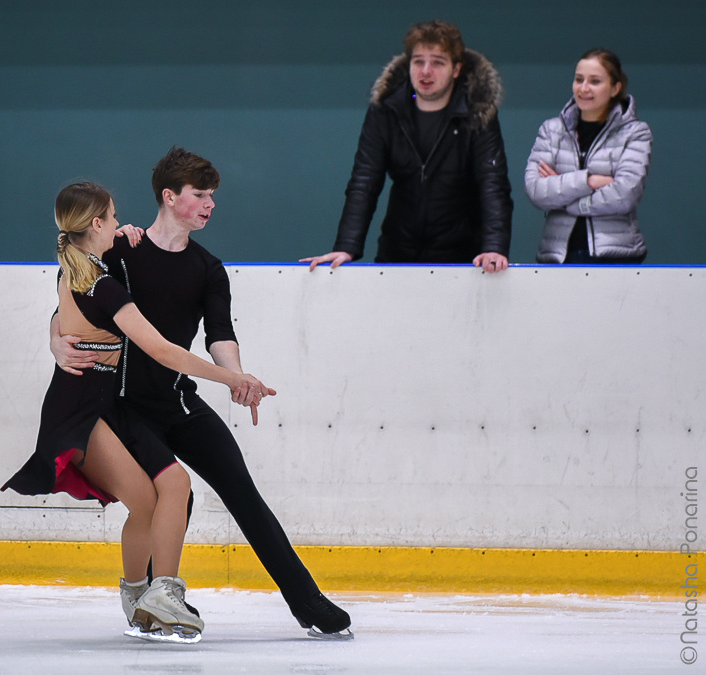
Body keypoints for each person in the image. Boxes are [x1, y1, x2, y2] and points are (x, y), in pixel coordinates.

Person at [51, 147, 354, 639]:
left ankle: (308, 602)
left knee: (244, 494)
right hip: (125, 407)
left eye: (213, 195)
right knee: (175, 496)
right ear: (170, 197)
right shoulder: (121, 249)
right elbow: (73, 296)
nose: (210, 204)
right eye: (200, 195)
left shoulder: (208, 268)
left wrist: (237, 376)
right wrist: (54, 340)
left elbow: (219, 334)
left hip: (178, 402)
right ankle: (155, 601)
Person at [3, 182, 272, 643]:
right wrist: (233, 379)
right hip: (81, 409)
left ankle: (152, 593)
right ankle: (148, 595)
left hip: (107, 402)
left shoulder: (80, 270)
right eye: (112, 216)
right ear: (97, 224)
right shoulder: (100, 284)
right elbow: (162, 350)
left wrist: (55, 337)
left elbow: (64, 317)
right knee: (151, 497)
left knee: (170, 487)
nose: (118, 223)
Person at [300, 19, 512, 273]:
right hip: (397, 252)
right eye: (418, 61)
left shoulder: (477, 114)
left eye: (437, 62)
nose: (425, 71)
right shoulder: (387, 110)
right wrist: (346, 246)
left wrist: (494, 247)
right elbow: (364, 181)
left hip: (461, 256)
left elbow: (493, 184)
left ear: (456, 69)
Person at [525, 48, 652, 264]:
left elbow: (624, 195)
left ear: (615, 88)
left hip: (616, 256)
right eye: (578, 79)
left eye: (595, 81)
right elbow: (536, 190)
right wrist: (588, 181)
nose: (584, 88)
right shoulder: (551, 130)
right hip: (557, 256)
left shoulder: (635, 132)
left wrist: (566, 201)